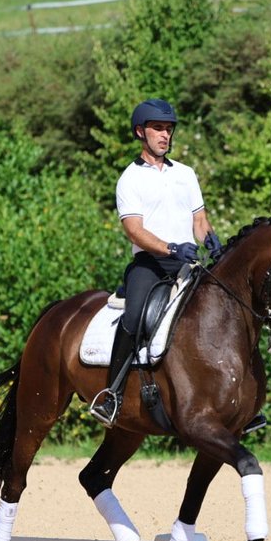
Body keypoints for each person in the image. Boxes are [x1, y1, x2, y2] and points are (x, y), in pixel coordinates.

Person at [90, 99, 224, 426]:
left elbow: (200, 220)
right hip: (150, 265)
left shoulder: (186, 174)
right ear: (141, 132)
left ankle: (238, 401)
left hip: (187, 263)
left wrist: (211, 240)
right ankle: (112, 394)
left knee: (225, 311)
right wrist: (170, 248)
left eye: (168, 129)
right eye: (158, 129)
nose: (165, 135)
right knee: (135, 318)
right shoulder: (130, 179)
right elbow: (134, 231)